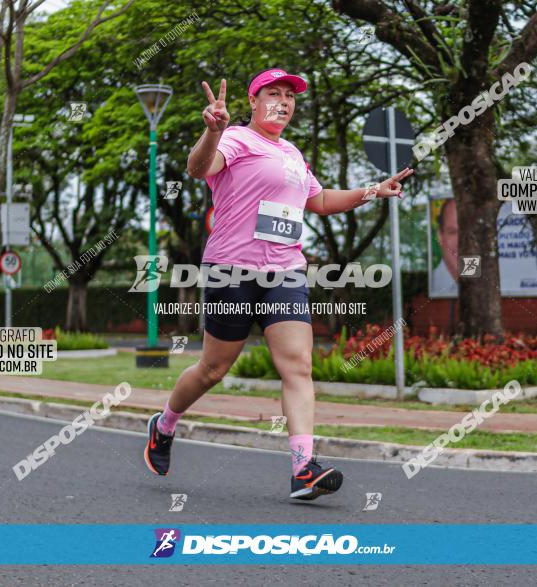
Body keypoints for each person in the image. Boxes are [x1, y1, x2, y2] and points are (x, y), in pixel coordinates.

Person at [143, 67, 413, 500]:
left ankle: (304, 468)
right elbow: (198, 168)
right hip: (231, 270)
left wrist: (372, 190)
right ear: (254, 101)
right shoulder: (235, 139)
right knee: (214, 369)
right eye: (274, 93)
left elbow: (320, 200)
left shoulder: (291, 153)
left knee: (298, 365)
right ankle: (165, 424)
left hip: (285, 272)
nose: (284, 102)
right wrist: (213, 130)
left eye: (290, 96)